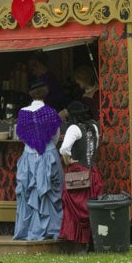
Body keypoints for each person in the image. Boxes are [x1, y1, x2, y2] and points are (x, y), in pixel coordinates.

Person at [13, 79, 64, 241]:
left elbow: (20, 134)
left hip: (28, 156)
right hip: (48, 155)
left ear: (31, 93)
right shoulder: (51, 112)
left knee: (28, 192)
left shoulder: (22, 112)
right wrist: (47, 146)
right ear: (45, 93)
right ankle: (51, 230)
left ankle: (28, 230)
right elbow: (55, 135)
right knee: (49, 193)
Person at [58, 100, 102, 251]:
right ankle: (93, 243)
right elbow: (95, 148)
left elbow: (64, 149)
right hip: (92, 172)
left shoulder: (74, 128)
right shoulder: (94, 127)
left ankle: (78, 245)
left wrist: (69, 161)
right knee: (92, 208)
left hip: (77, 174)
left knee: (74, 211)